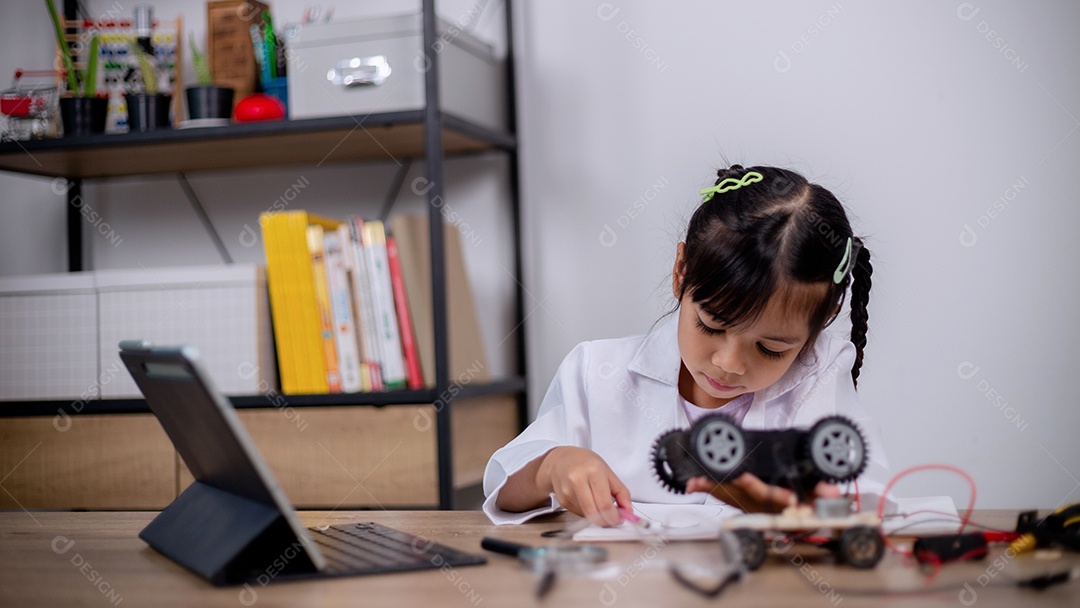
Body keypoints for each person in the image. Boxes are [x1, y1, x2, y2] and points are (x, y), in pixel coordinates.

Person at [483, 165, 889, 526]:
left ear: (826, 319)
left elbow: (860, 505)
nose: (729, 364)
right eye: (711, 326)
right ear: (681, 271)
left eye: (770, 349)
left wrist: (785, 504)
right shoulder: (598, 371)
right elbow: (504, 488)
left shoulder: (819, 374)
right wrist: (550, 467)